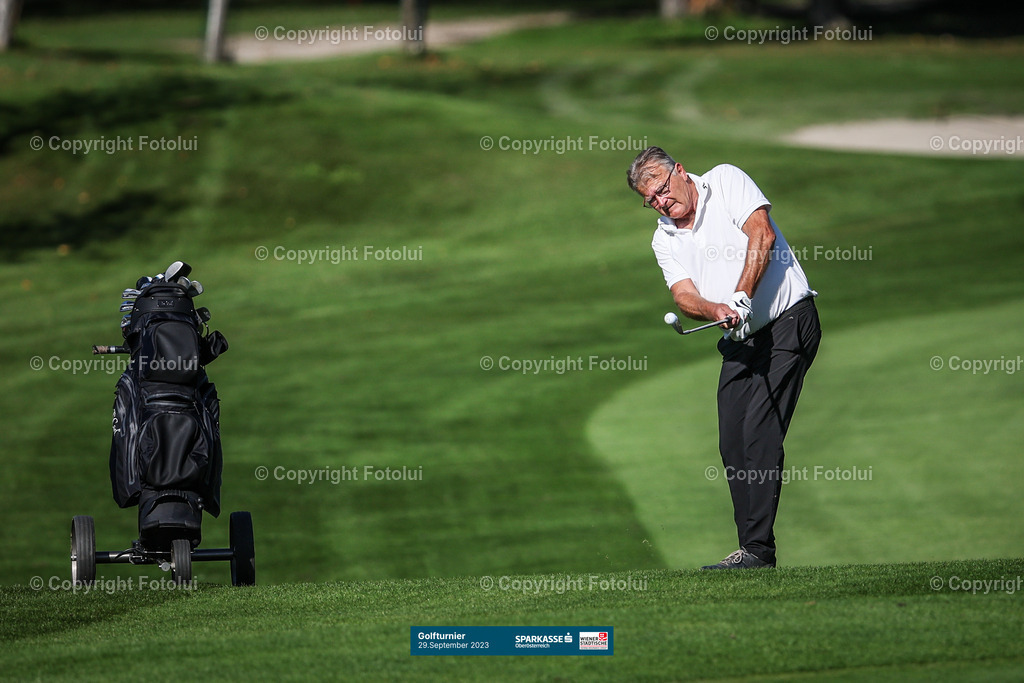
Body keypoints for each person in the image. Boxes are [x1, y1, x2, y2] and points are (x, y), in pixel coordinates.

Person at [627, 146, 821, 569]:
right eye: (651, 200)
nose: (661, 202)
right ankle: (752, 550)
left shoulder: (725, 179)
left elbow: (762, 234)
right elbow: (683, 295)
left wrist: (741, 296)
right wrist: (714, 309)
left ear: (680, 172)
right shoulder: (664, 237)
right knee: (732, 440)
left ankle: (757, 550)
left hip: (788, 321)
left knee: (759, 430)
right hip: (740, 338)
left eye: (662, 189)